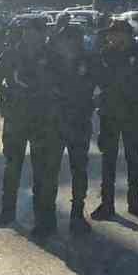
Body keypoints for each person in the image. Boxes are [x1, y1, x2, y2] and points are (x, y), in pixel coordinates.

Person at [0, 20, 56, 234]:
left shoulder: (52, 56)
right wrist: (11, 93)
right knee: (12, 167)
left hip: (42, 120)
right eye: (28, 32)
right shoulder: (10, 55)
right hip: (16, 119)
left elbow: (64, 83)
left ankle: (43, 220)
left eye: (36, 32)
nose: (32, 36)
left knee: (41, 171)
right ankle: (8, 212)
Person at [92, 21, 138, 221]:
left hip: (132, 112)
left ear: (126, 35)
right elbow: (95, 79)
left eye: (114, 34)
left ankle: (134, 202)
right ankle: (107, 204)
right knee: (108, 158)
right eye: (109, 35)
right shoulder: (104, 54)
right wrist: (99, 95)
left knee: (133, 157)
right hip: (108, 113)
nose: (110, 38)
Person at [47, 23, 99, 235]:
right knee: (49, 170)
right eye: (65, 39)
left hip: (79, 122)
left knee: (79, 170)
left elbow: (103, 83)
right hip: (55, 123)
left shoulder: (89, 60)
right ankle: (47, 218)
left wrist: (94, 100)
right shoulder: (51, 61)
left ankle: (77, 215)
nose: (69, 43)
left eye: (73, 39)